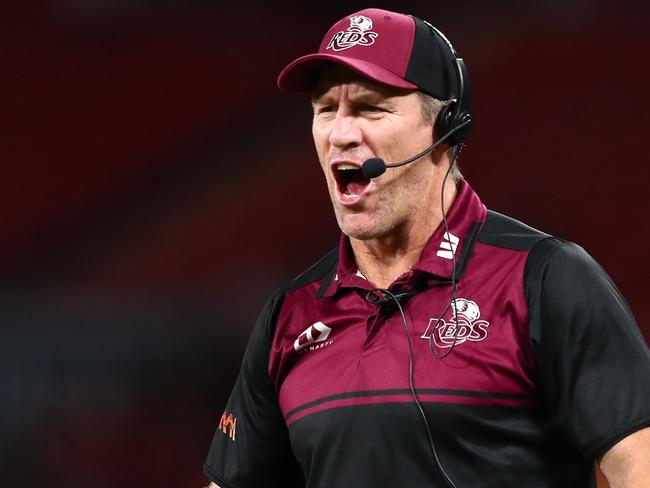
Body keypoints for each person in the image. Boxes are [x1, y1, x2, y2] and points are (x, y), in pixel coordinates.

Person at [203, 7, 650, 488]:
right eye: (326, 108)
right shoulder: (288, 317)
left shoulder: (543, 279)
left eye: (371, 108)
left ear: (445, 128)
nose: (341, 133)